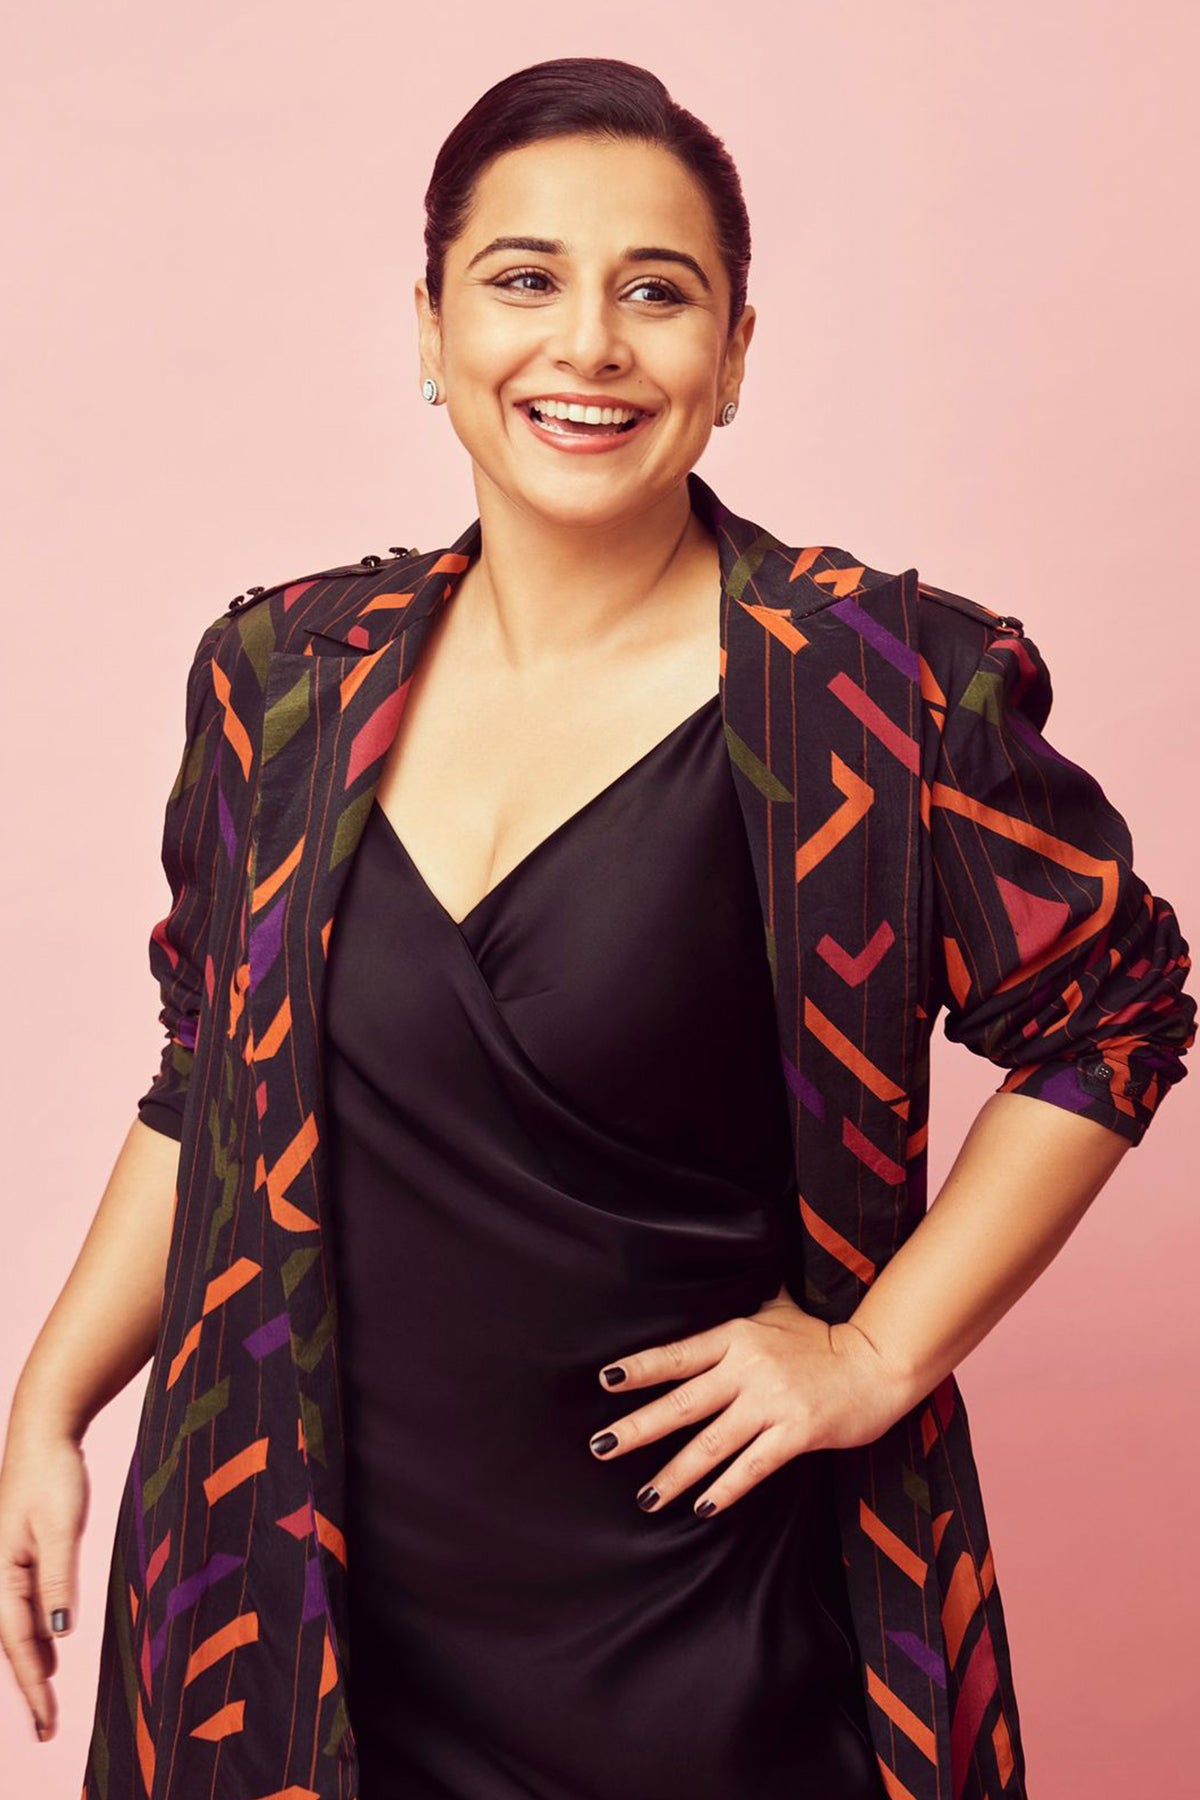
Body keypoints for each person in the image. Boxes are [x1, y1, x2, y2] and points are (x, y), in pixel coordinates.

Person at [0, 54, 1193, 1800]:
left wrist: (876, 1353)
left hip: (709, 1634)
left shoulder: (878, 689)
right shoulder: (283, 678)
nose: (588, 344)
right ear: (430, 327)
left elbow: (1116, 1012)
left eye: (657, 292)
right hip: (295, 1622)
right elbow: (208, 1079)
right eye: (524, 279)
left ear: (736, 352)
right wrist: (49, 1404)